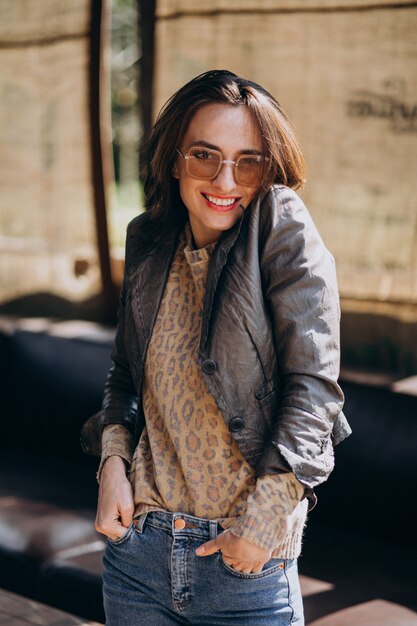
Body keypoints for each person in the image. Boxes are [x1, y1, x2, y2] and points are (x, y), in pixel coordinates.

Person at [91, 69, 351, 625]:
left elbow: (315, 391)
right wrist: (113, 464)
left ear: (270, 167)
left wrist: (259, 531)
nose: (225, 179)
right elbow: (124, 375)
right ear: (175, 158)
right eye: (204, 155)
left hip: (244, 568)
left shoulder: (281, 228)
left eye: (248, 160)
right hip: (139, 553)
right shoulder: (148, 240)